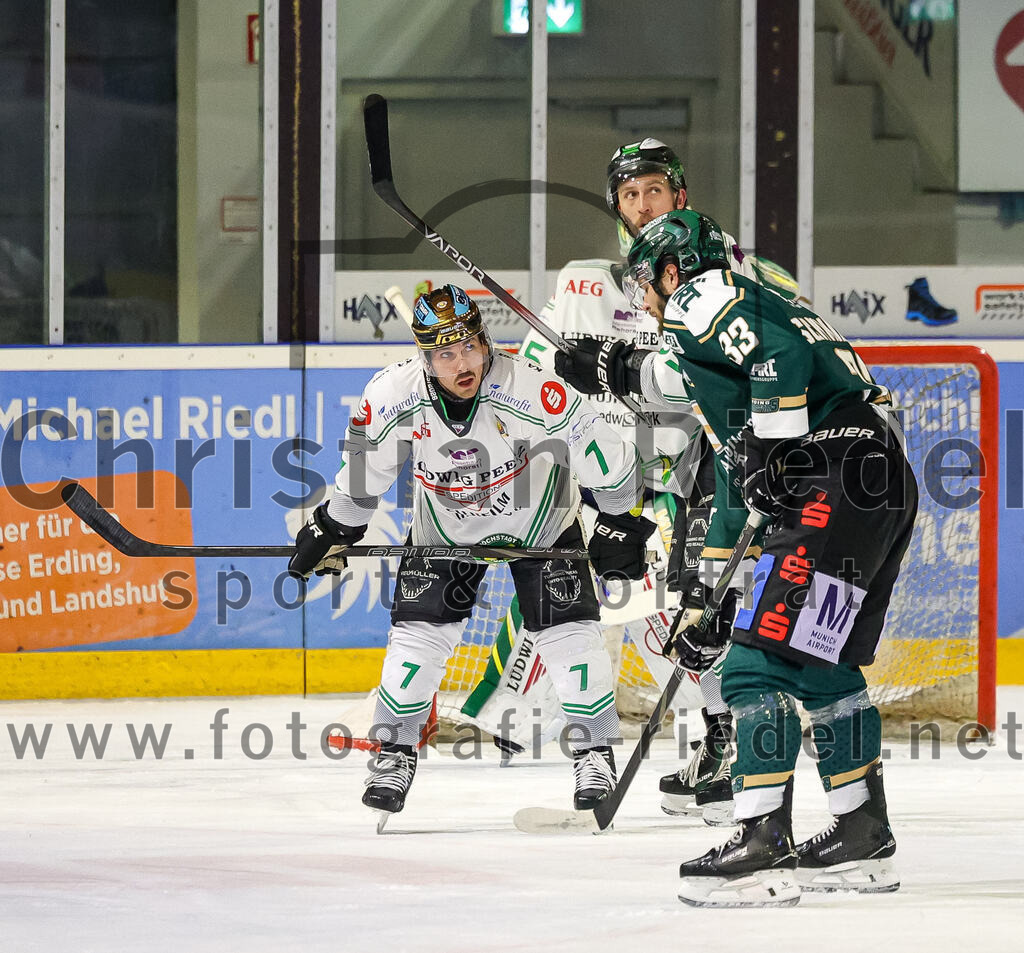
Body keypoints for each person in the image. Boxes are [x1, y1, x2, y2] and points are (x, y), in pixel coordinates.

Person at [555, 209, 918, 907]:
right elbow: (728, 478)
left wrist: (771, 447)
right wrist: (706, 605)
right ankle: (861, 832)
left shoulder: (705, 291)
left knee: (752, 667)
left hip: (831, 475)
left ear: (671, 272)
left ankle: (761, 843)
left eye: (646, 287)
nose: (647, 305)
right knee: (821, 663)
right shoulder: (744, 328)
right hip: (876, 481)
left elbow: (776, 359)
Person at [470, 139, 800, 825]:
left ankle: (741, 748)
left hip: (713, 465)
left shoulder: (726, 269)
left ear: (680, 195)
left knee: (706, 609)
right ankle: (716, 742)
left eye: (655, 190)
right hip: (620, 479)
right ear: (616, 207)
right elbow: (540, 379)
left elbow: (757, 363)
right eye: (630, 194)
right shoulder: (588, 285)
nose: (643, 205)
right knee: (651, 615)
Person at [287, 284, 644, 826]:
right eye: (446, 354)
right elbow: (363, 476)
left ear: (485, 341)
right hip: (445, 530)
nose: (463, 364)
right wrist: (334, 525)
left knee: (570, 636)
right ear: (425, 359)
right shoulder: (391, 394)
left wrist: (619, 519)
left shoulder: (530, 387)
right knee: (416, 641)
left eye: (470, 347)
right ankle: (394, 754)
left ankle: (594, 754)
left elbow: (602, 448)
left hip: (540, 522)